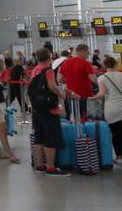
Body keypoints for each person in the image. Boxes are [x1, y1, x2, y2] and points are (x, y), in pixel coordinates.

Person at [30, 48, 70, 177]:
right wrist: (61, 94)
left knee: (39, 135)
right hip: (49, 108)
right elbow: (52, 86)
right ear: (49, 57)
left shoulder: (35, 70)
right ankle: (51, 167)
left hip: (37, 107)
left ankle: (40, 165)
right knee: (51, 136)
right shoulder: (48, 71)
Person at [89, 56, 122, 165]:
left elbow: (102, 94)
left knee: (116, 133)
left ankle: (119, 157)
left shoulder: (102, 78)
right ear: (115, 65)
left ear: (104, 66)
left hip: (112, 109)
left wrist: (91, 98)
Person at [58, 44, 95, 119]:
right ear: (82, 51)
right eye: (87, 53)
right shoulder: (86, 63)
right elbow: (93, 80)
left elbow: (59, 79)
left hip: (70, 96)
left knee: (74, 118)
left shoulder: (65, 63)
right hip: (85, 96)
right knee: (86, 119)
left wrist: (70, 79)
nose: (88, 56)